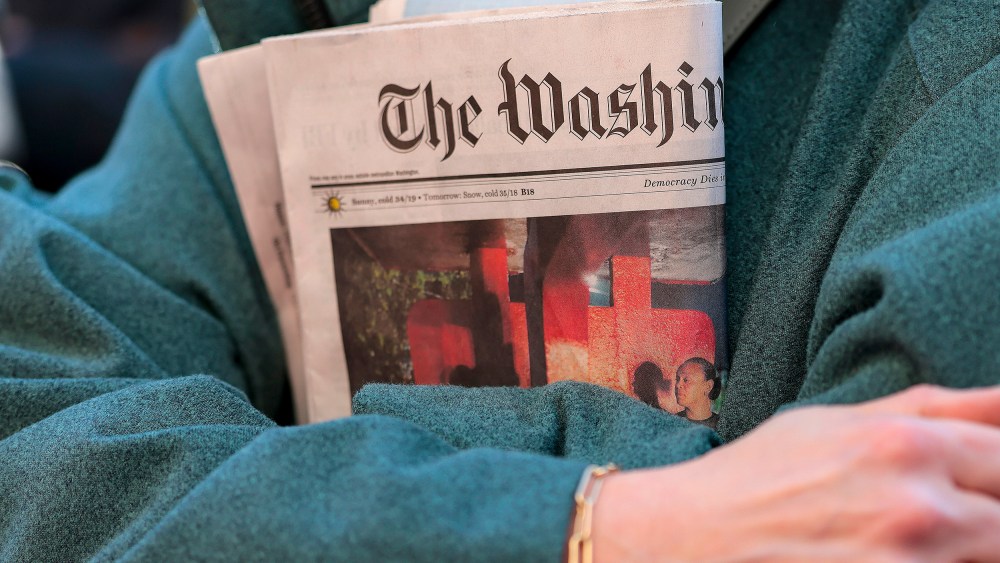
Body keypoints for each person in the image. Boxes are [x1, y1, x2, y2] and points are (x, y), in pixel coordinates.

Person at [0, 0, 998, 560]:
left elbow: (906, 515)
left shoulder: (954, 61)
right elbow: (40, 438)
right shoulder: (282, 29)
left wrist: (263, 473)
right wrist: (613, 522)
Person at [674, 358, 720, 427]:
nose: (678, 385)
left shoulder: (724, 427)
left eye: (686, 380)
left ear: (708, 386)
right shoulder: (670, 423)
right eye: (677, 379)